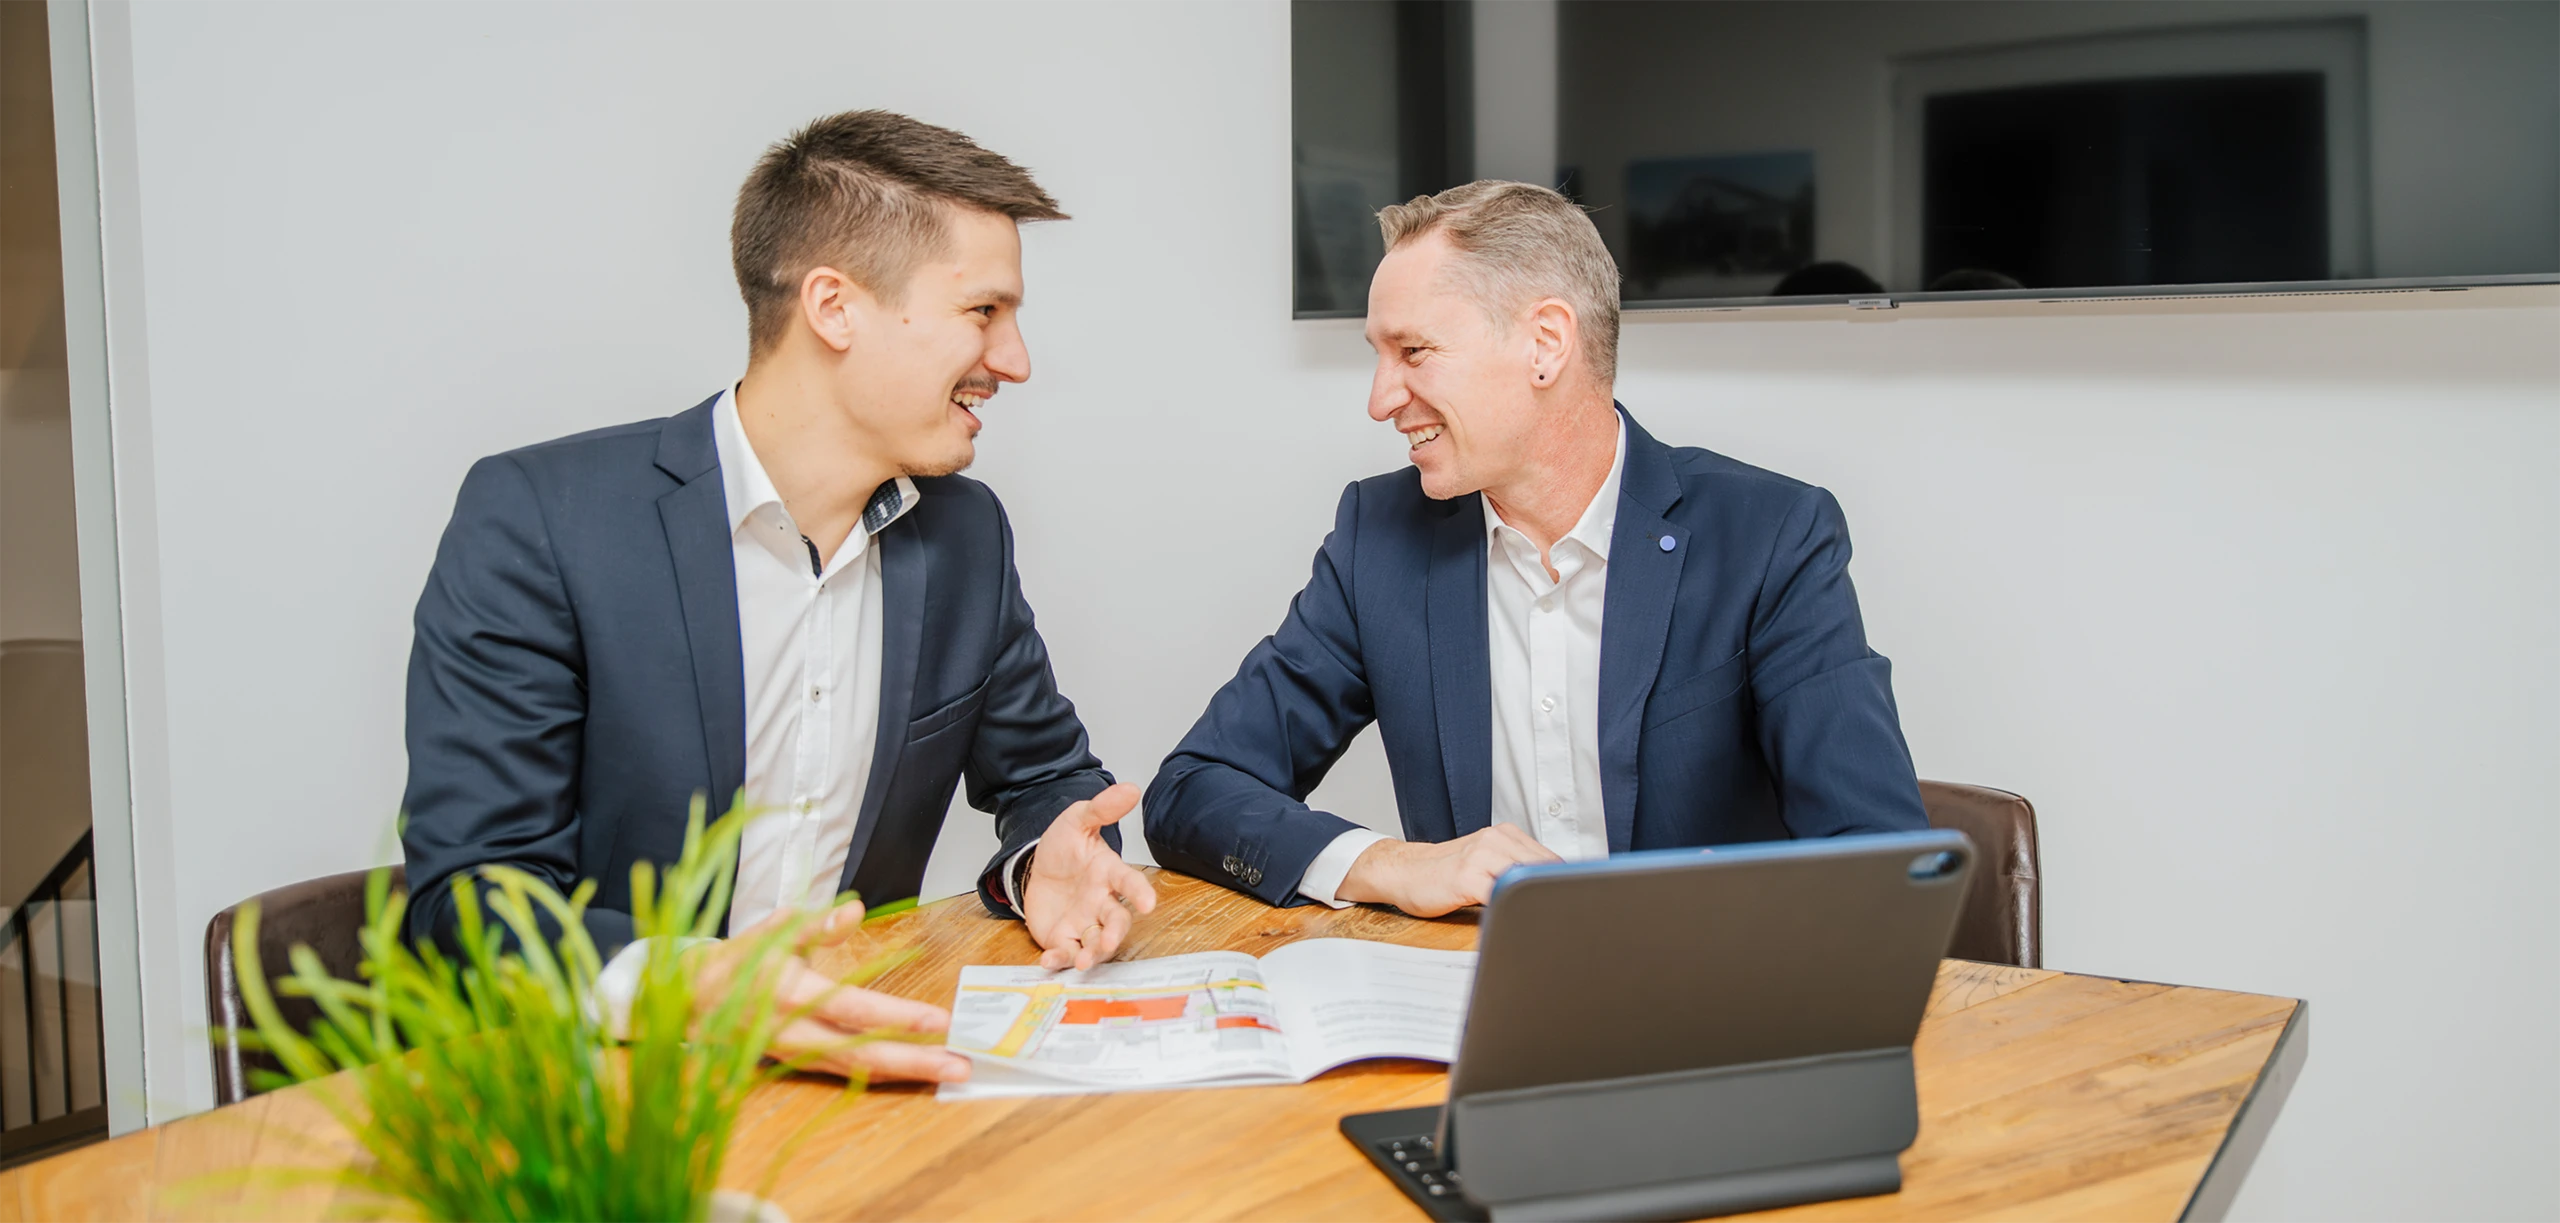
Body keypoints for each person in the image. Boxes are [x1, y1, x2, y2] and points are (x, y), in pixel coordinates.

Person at [400, 111, 1157, 1084]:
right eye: (983, 311)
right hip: (599, 1099)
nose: (1015, 360)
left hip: (844, 1094)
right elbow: (469, 899)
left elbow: (1047, 778)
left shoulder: (964, 536)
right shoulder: (543, 521)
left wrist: (1040, 861)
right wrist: (687, 983)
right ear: (833, 307)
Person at [1145, 181, 1927, 916]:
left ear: (1546, 344)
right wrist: (1395, 864)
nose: (1380, 399)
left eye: (1413, 352)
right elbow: (1193, 788)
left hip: (1708, 992)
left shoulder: (1771, 535)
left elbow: (1879, 861)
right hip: (1468, 995)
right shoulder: (1377, 539)